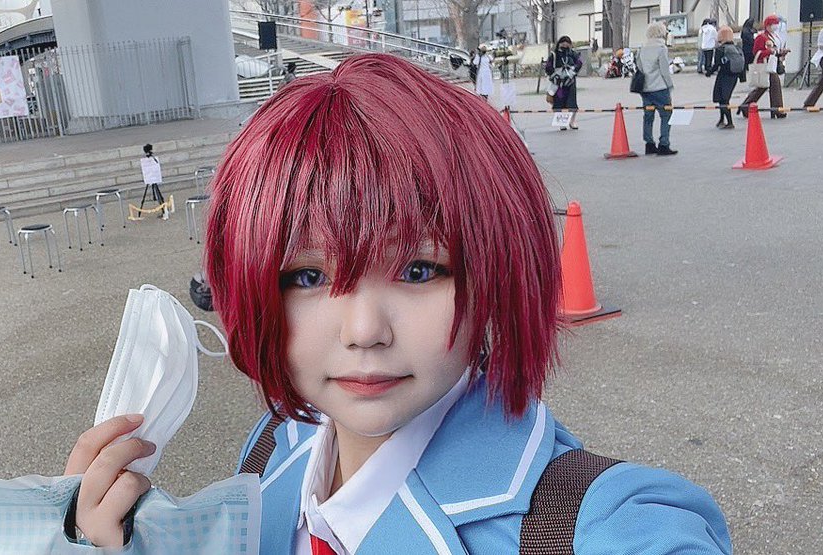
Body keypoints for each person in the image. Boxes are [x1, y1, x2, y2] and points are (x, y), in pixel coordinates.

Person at [63, 53, 732, 553]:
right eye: (306, 275)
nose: (363, 330)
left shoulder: (594, 527)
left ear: (497, 272)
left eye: (418, 269)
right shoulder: (275, 445)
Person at [638, 22, 678, 155]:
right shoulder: (661, 48)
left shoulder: (642, 48)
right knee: (666, 115)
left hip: (645, 88)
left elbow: (639, 67)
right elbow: (664, 70)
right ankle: (664, 144)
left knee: (648, 116)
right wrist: (670, 85)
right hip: (660, 87)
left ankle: (649, 143)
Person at [740, 14, 789, 119]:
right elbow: (756, 52)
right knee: (768, 86)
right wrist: (769, 52)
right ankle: (776, 110)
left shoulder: (775, 36)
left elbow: (775, 50)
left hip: (772, 64)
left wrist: (781, 52)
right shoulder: (761, 37)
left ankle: (747, 106)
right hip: (764, 64)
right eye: (773, 24)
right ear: (767, 25)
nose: (776, 26)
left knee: (766, 87)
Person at [707, 25, 745, 130]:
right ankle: (722, 119)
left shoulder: (721, 49)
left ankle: (729, 122)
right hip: (734, 76)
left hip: (723, 75)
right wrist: (742, 78)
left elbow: (717, 64)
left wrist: (709, 72)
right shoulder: (737, 48)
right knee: (725, 98)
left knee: (723, 99)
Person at [545, 36, 582, 130]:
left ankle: (572, 121)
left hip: (570, 80)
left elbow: (579, 63)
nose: (565, 44)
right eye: (563, 42)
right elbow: (548, 67)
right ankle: (561, 123)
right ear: (559, 43)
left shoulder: (572, 54)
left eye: (567, 42)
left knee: (572, 102)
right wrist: (554, 76)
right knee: (558, 102)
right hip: (558, 82)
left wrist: (573, 71)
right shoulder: (554, 54)